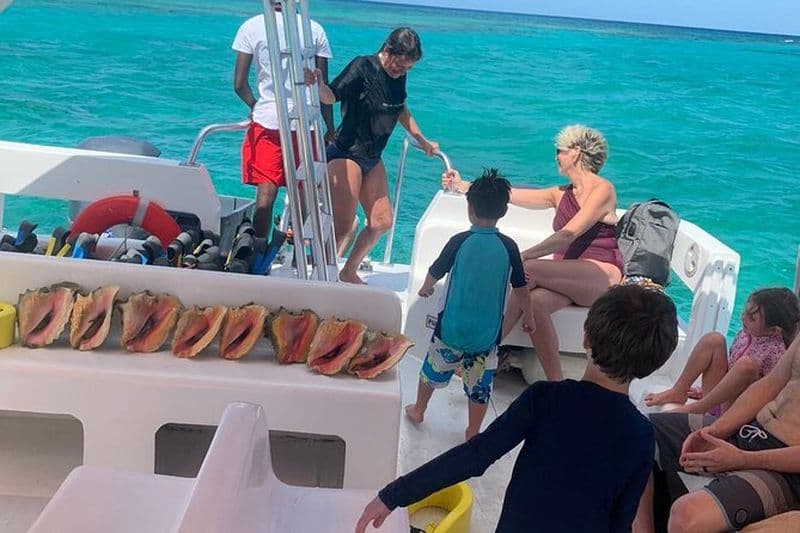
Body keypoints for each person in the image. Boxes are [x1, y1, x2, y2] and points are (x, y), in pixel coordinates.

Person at [356, 284, 679, 532]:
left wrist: (395, 494)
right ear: (653, 363)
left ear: (586, 338)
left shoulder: (546, 399)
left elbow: (476, 456)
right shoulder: (640, 434)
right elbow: (622, 521)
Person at [444, 124, 623, 381]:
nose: (556, 157)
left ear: (576, 153)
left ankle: (484, 351)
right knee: (536, 302)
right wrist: (464, 185)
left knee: (528, 269)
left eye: (560, 151)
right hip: (567, 278)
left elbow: (567, 235)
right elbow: (509, 194)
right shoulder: (559, 194)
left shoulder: (603, 189)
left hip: (601, 276)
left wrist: (521, 256)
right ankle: (556, 383)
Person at [404, 169, 533, 441]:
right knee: (480, 387)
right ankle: (473, 431)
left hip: (450, 329)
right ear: (504, 211)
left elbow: (436, 270)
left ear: (470, 208)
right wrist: (529, 316)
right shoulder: (509, 247)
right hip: (486, 338)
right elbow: (521, 287)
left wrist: (426, 287)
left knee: (431, 372)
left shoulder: (459, 241)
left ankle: (418, 409)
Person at [633, 332, 800, 532]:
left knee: (687, 517)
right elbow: (771, 383)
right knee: (633, 433)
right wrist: (715, 431)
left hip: (786, 472)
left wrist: (742, 459)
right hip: (750, 432)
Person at [315, 27, 439, 284]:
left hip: (373, 157)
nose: (400, 71)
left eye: (407, 68)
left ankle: (348, 271)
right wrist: (317, 86)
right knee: (343, 227)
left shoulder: (399, 77)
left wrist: (421, 139)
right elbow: (332, 95)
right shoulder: (363, 66)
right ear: (387, 49)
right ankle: (319, 277)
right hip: (345, 153)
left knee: (382, 222)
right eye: (398, 64)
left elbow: (400, 108)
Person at [232, 9, 334, 239]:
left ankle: (256, 255)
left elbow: (239, 85)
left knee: (265, 197)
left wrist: (255, 106)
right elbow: (321, 88)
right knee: (303, 195)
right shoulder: (314, 29)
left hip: (269, 119)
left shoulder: (251, 26)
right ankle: (301, 258)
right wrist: (330, 128)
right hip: (305, 123)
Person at [645, 287, 800, 415]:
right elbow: (730, 367)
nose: (743, 317)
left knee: (746, 366)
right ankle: (679, 390)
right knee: (714, 339)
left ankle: (698, 408)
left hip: (736, 409)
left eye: (752, 318)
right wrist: (702, 392)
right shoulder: (746, 333)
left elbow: (767, 393)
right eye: (745, 311)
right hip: (718, 399)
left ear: (774, 330)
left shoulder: (777, 353)